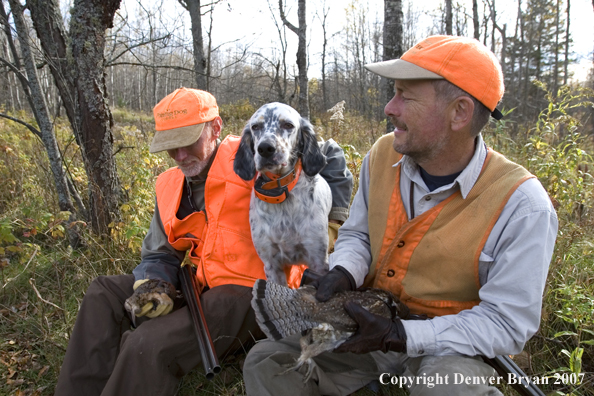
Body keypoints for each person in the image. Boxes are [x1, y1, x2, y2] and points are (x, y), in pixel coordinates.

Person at [243, 35, 558, 396]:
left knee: (450, 391)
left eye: (405, 95)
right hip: (366, 328)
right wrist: (346, 271)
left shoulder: (522, 205)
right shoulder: (382, 154)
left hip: (451, 349)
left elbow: (507, 323)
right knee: (267, 361)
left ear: (460, 112)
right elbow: (359, 234)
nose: (389, 108)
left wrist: (402, 336)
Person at [54, 88, 353, 396]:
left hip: (250, 293)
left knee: (147, 344)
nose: (181, 156)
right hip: (201, 288)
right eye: (172, 148)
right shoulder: (170, 186)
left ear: (216, 128)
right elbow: (160, 254)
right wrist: (155, 284)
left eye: (188, 142)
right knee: (102, 292)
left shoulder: (253, 155)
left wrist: (332, 223)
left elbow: (330, 153)